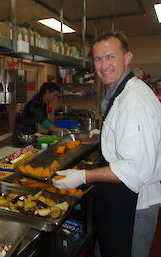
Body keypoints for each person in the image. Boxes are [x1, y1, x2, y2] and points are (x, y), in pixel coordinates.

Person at [53, 31, 161, 257]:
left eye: (111, 57)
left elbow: (133, 169)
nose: (104, 65)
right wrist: (102, 135)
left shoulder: (134, 101)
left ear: (127, 57)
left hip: (134, 204)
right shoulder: (124, 93)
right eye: (98, 59)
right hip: (121, 199)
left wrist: (82, 176)